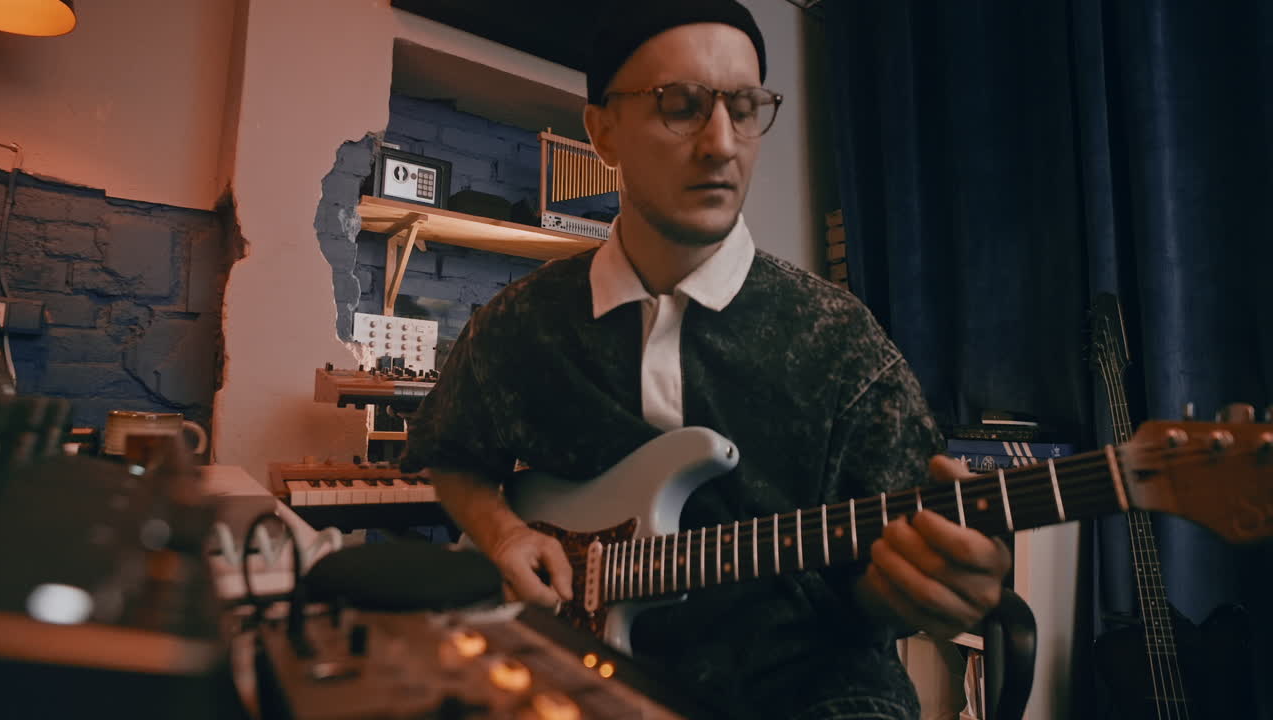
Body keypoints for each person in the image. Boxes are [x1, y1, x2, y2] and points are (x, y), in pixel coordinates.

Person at [401, 2, 1011, 717]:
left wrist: (927, 584)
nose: (722, 143)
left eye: (745, 107)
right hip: (574, 678)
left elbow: (876, 593)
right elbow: (453, 455)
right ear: (602, 132)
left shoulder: (844, 343)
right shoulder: (521, 322)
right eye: (681, 106)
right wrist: (505, 534)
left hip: (810, 692)